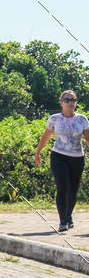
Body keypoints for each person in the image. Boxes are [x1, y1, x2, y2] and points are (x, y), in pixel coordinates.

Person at [35, 90, 89, 232]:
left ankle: (69, 215)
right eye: (67, 100)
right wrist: (38, 152)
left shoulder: (82, 119)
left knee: (73, 189)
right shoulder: (54, 119)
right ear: (61, 103)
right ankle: (62, 220)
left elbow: (88, 138)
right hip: (59, 156)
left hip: (77, 158)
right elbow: (46, 136)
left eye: (73, 100)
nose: (70, 103)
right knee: (62, 187)